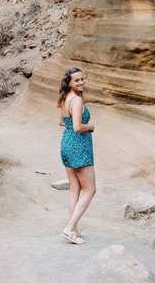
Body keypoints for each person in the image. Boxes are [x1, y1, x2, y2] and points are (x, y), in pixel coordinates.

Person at [57, 67, 96, 244]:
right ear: (70, 82)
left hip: (66, 144)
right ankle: (70, 228)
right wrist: (91, 126)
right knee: (90, 190)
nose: (81, 82)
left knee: (75, 189)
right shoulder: (77, 101)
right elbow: (78, 127)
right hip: (78, 146)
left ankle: (73, 229)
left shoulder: (65, 98)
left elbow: (61, 122)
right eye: (77, 80)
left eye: (82, 79)